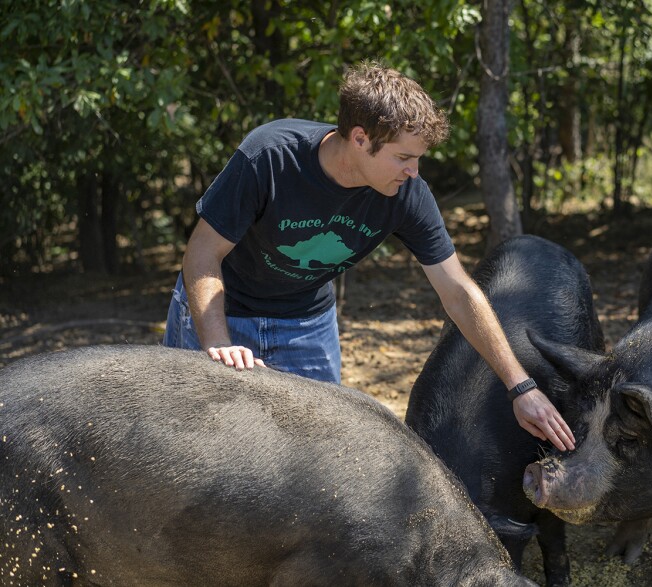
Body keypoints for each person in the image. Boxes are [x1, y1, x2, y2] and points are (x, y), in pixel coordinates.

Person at [162, 61, 575, 452]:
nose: (413, 171)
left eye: (418, 159)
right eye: (403, 157)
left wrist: (521, 387)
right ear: (360, 139)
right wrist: (218, 344)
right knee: (199, 445)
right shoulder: (270, 157)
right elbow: (202, 254)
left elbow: (458, 292)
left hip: (304, 321)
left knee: (314, 451)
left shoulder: (407, 195)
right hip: (220, 309)